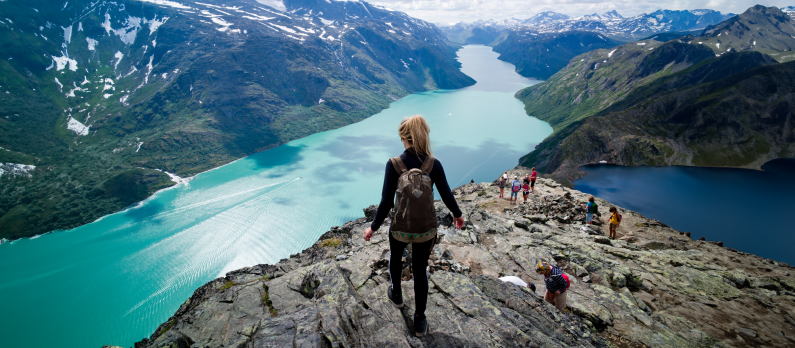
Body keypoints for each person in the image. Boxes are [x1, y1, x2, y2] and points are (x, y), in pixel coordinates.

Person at [362, 115, 465, 338]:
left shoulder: (394, 165)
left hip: (400, 228)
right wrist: (457, 215)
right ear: (423, 135)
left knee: (395, 258)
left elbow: (386, 201)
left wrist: (373, 227)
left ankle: (397, 295)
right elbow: (446, 194)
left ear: (402, 137)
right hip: (426, 230)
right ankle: (420, 319)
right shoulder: (433, 164)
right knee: (420, 271)